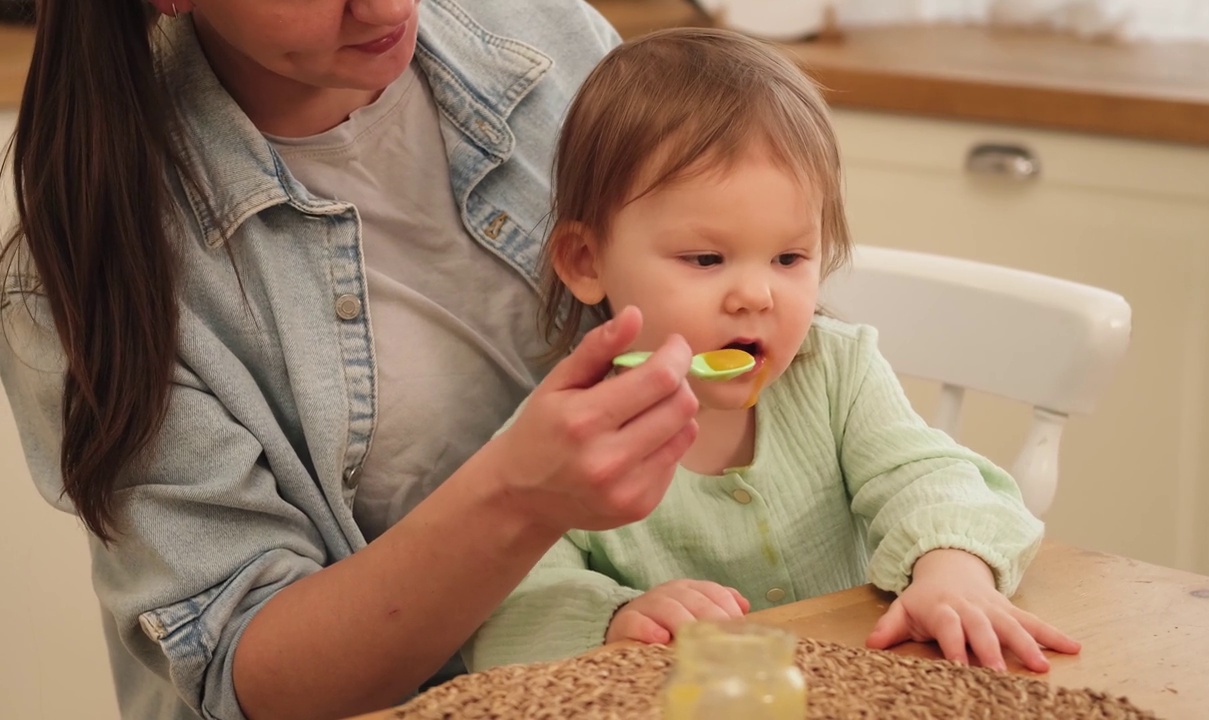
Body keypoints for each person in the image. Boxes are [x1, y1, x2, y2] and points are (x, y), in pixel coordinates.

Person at [0, 2, 705, 719]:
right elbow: (246, 675)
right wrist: (519, 495)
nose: (389, 7)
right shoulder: (86, 273)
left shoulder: (543, 29)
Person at [463, 27, 1084, 674]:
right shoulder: (564, 432)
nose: (756, 295)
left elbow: (933, 481)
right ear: (587, 261)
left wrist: (952, 572)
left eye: (789, 257)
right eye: (706, 259)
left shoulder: (836, 372)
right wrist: (618, 616)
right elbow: (513, 609)